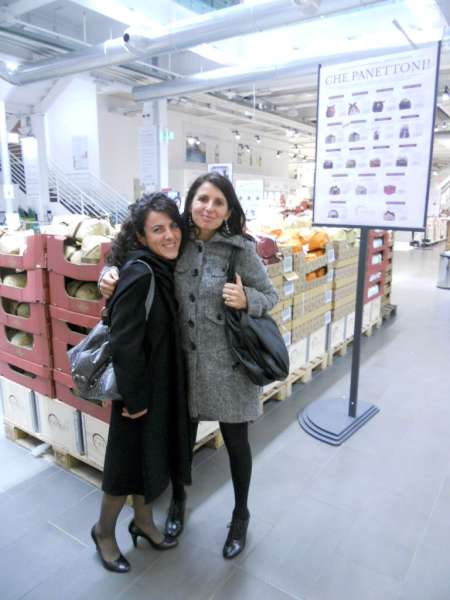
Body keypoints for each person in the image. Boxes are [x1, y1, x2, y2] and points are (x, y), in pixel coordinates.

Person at [100, 173, 277, 559]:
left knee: (237, 445)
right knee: (181, 441)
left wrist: (248, 300)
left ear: (228, 210)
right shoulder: (176, 240)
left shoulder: (240, 250)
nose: (209, 208)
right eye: (202, 199)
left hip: (230, 369)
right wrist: (106, 275)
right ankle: (178, 503)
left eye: (218, 202)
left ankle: (240, 516)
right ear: (191, 203)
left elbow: (270, 294)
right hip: (182, 369)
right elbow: (130, 255)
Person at [92, 193, 193, 573]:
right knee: (124, 466)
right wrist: (134, 400)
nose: (169, 235)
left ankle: (144, 522)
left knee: (149, 459)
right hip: (136, 391)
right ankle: (103, 532)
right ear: (141, 237)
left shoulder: (162, 267)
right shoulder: (140, 273)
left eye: (172, 226)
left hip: (159, 387)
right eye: (158, 230)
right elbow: (125, 341)